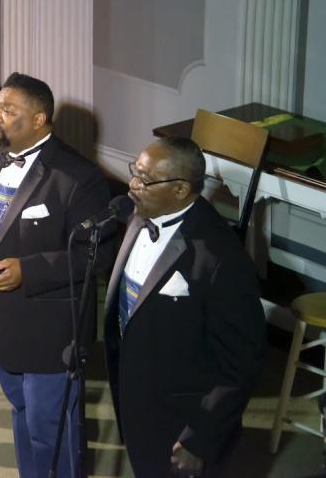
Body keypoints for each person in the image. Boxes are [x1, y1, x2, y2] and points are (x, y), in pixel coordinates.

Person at [0, 72, 111, 478]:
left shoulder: (79, 177)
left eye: (8, 109)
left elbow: (97, 254)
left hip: (50, 325)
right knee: (21, 411)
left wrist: (30, 270)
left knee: (50, 428)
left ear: (40, 119)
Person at [103, 137, 266, 477]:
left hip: (180, 422)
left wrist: (199, 439)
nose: (133, 184)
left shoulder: (222, 259)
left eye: (145, 179)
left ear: (180, 190)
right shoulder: (141, 213)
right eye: (135, 170)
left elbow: (240, 365)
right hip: (135, 400)